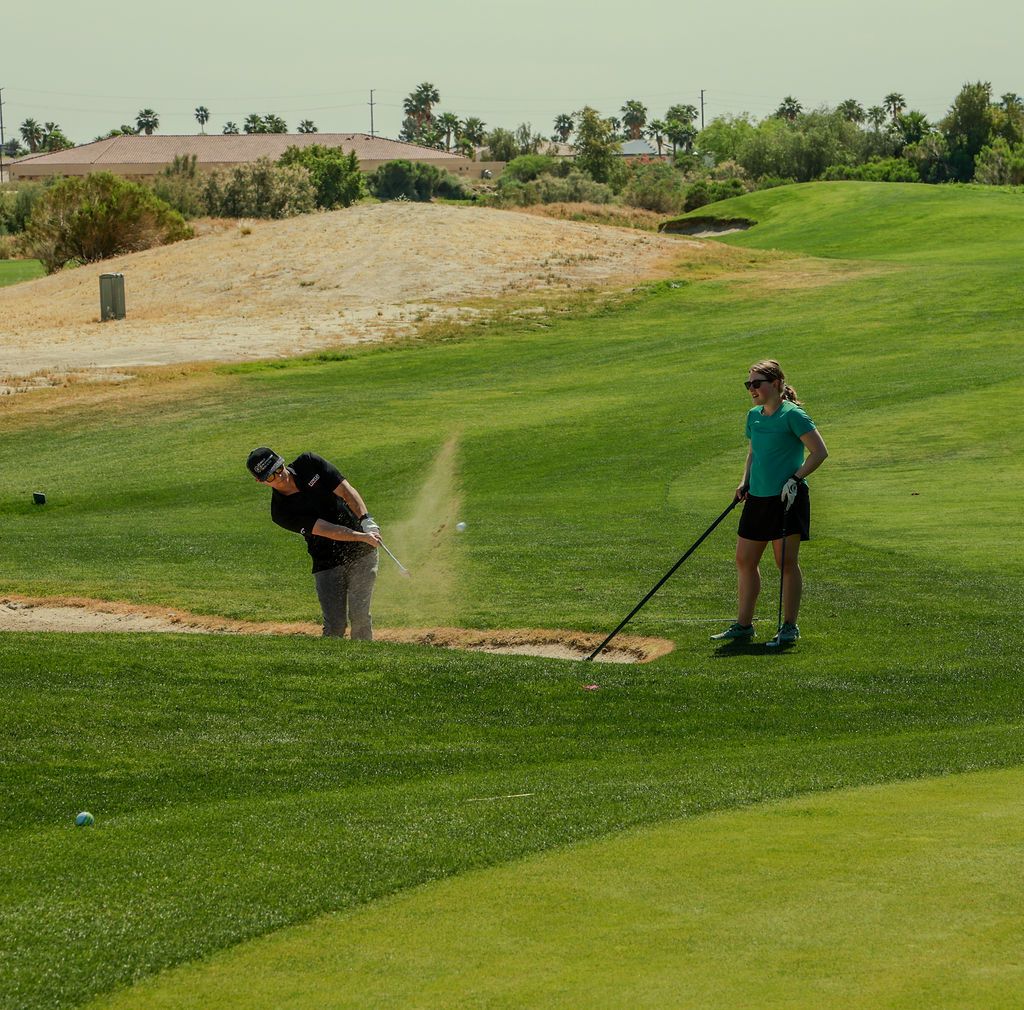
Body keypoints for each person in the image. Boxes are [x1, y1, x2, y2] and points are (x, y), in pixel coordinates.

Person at [711, 360, 829, 645]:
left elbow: (819, 452)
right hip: (758, 498)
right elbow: (753, 453)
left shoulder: (793, 415)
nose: (751, 389)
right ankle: (744, 625)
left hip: (787, 499)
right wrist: (745, 481)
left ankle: (789, 627)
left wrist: (796, 479)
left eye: (757, 384)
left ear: (775, 384)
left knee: (785, 562)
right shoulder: (754, 416)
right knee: (744, 560)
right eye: (748, 384)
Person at [247, 447, 382, 640]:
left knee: (360, 616)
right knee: (335, 625)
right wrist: (361, 536)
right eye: (270, 476)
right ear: (260, 481)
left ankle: (364, 657)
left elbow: (345, 490)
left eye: (279, 468)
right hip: (326, 560)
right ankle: (333, 659)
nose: (279, 476)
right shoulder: (281, 512)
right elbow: (327, 530)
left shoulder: (309, 463)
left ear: (282, 461)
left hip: (361, 552)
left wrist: (366, 520)